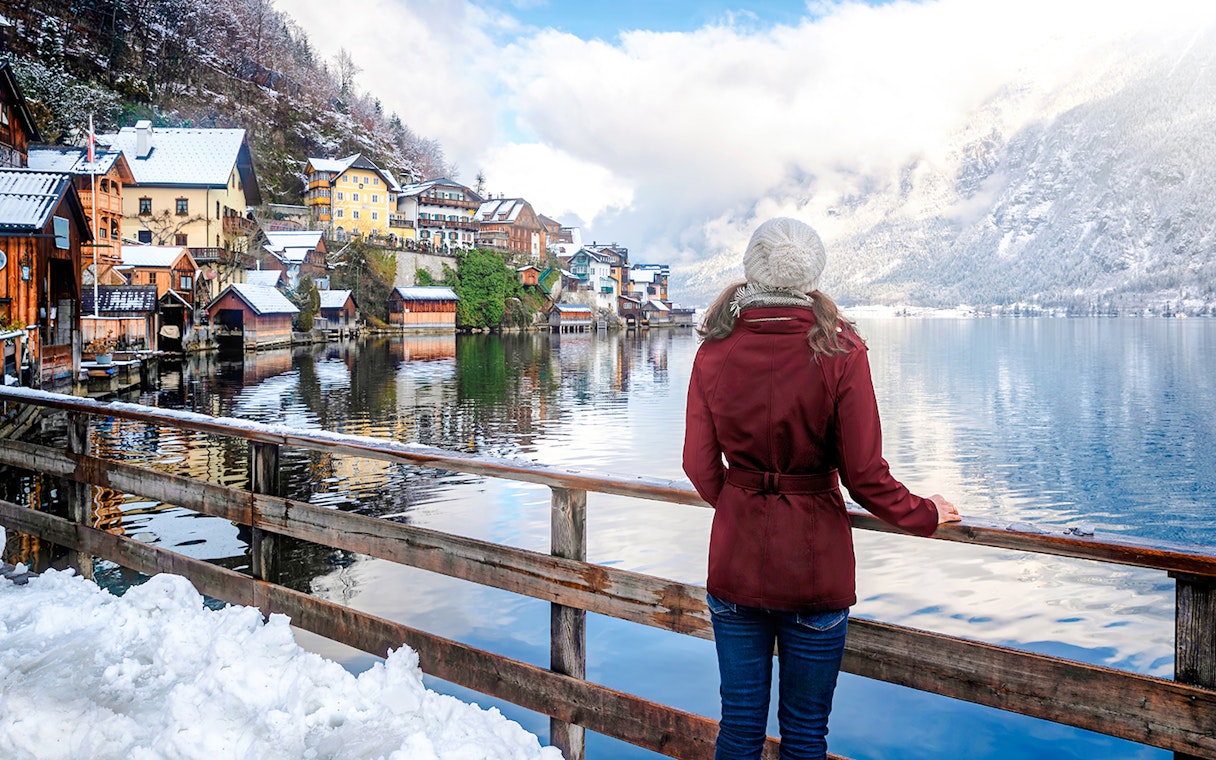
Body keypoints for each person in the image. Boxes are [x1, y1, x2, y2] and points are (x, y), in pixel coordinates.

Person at [682, 217, 961, 760]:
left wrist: (743, 504)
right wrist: (925, 512)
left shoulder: (714, 348)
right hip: (816, 564)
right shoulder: (841, 350)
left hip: (735, 560)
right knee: (806, 734)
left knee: (738, 729)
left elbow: (698, 464)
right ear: (812, 273)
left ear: (751, 268)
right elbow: (865, 477)